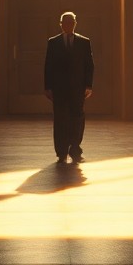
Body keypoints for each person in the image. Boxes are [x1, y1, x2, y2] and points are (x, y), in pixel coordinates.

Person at [44, 10, 94, 165]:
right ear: (61, 25)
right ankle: (61, 152)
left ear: (75, 24)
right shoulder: (53, 42)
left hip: (78, 88)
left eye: (71, 23)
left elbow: (89, 65)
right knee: (60, 120)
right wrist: (48, 87)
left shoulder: (84, 42)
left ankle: (75, 149)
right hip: (59, 89)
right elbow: (48, 66)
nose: (69, 25)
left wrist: (88, 85)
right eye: (66, 23)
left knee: (77, 119)